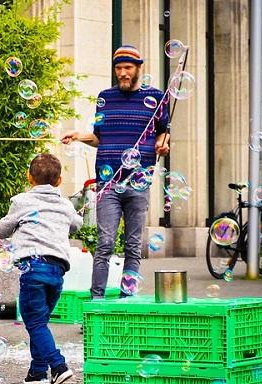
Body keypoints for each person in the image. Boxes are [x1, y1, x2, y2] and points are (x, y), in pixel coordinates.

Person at [61, 45, 171, 299]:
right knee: (105, 244)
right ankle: (96, 302)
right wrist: (79, 136)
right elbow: (99, 138)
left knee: (133, 246)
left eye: (127, 68)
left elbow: (163, 132)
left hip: (138, 182)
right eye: (118, 68)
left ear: (138, 69)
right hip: (108, 182)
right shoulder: (105, 98)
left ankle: (126, 301)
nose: (122, 73)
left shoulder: (156, 98)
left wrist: (163, 144)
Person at [0, 154, 83, 384]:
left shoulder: (22, 201)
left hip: (33, 268)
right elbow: (76, 225)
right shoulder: (65, 204)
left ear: (29, 178)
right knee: (40, 321)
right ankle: (38, 372)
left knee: (35, 322)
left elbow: (2, 231)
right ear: (59, 181)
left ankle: (58, 366)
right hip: (57, 270)